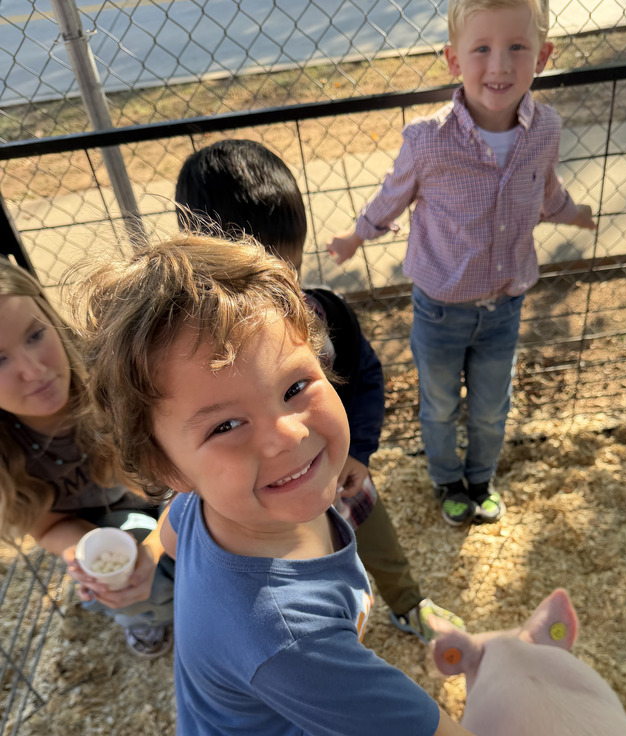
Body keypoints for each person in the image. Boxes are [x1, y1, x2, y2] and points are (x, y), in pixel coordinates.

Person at [71, 234, 626, 736]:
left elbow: (172, 543)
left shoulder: (215, 508)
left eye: (293, 386)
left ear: (322, 360)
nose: (284, 437)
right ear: (163, 467)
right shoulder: (287, 638)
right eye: (223, 425)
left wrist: (143, 563)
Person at [173, 138, 464, 643]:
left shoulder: (326, 316)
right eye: (249, 278)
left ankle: (407, 601)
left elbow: (368, 377)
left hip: (337, 471)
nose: (276, 293)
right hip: (261, 499)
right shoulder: (197, 356)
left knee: (374, 529)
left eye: (285, 271)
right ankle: (325, 634)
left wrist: (362, 453)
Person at [328, 0, 596, 527]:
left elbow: (546, 188)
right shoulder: (428, 140)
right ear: (454, 60)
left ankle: (481, 478)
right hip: (440, 310)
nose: (499, 66)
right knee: (441, 405)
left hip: (505, 306)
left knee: (493, 406)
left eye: (516, 48)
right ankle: (447, 481)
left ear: (542, 56)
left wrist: (572, 214)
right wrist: (356, 235)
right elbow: (393, 193)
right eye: (482, 49)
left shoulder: (545, 129)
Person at [0, 257, 174, 658]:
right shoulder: (9, 455)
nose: (34, 369)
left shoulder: (114, 378)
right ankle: (150, 615)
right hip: (108, 527)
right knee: (112, 573)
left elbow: (187, 481)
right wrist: (89, 557)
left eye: (34, 335)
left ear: (49, 315)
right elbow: (47, 526)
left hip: (171, 499)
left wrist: (153, 549)